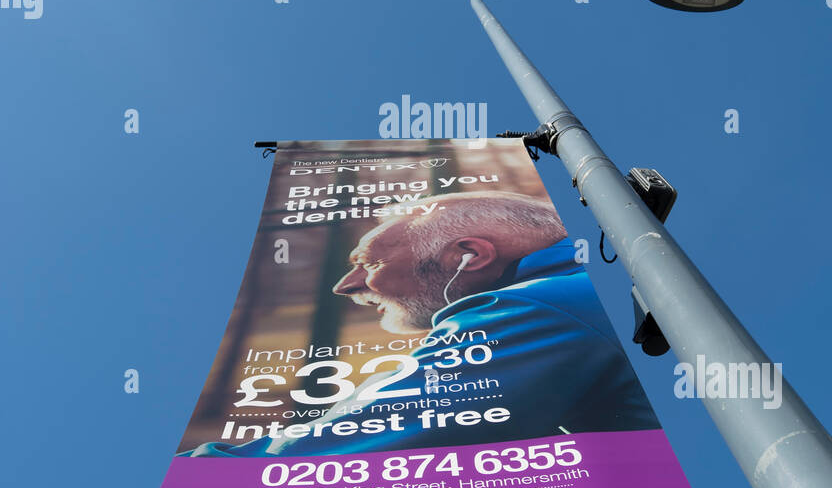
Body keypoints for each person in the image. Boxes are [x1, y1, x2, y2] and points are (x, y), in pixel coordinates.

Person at [186, 191, 659, 457]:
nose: (344, 286)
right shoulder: (590, 294)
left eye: (366, 262)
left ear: (469, 256)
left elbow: (338, 451)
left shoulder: (539, 306)